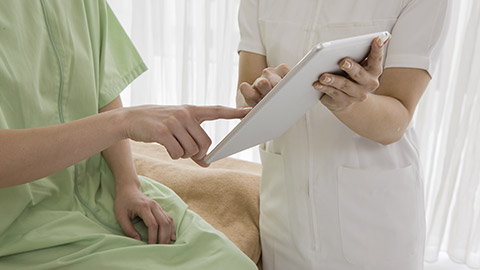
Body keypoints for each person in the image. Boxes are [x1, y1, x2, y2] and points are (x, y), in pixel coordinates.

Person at [0, 1, 257, 269]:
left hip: (102, 192)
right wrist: (124, 122)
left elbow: (105, 90)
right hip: (17, 233)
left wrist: (128, 184)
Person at [237, 0, 450, 269]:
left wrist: (349, 102)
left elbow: (398, 117)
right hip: (285, 215)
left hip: (374, 220)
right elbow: (245, 101)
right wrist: (262, 94)